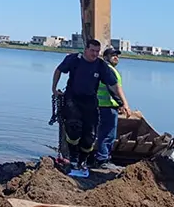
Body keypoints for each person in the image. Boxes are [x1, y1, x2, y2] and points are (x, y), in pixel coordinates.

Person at [51, 39, 130, 177]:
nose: (94, 54)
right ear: (86, 49)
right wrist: (54, 88)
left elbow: (115, 85)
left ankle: (82, 162)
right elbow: (58, 70)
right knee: (74, 128)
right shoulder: (74, 59)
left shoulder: (101, 66)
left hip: (90, 102)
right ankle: (73, 158)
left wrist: (125, 103)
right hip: (72, 98)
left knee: (90, 137)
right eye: (92, 51)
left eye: (97, 51)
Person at [94, 47, 131, 169]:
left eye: (117, 55)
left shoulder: (102, 69)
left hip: (102, 105)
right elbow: (113, 89)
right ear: (105, 58)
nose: (116, 57)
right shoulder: (109, 70)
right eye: (112, 55)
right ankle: (103, 159)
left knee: (103, 133)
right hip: (107, 107)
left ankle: (101, 157)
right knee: (108, 134)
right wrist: (123, 104)